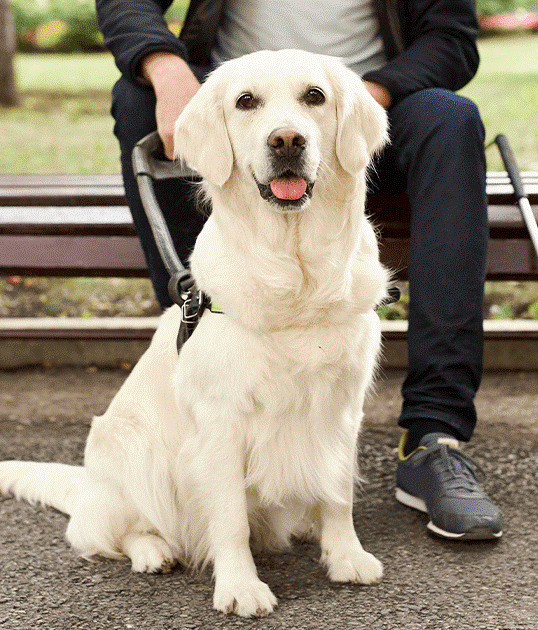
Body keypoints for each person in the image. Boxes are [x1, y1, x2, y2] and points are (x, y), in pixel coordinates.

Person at [95, 0, 503, 541]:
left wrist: (359, 99)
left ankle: (435, 437)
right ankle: (205, 368)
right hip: (233, 126)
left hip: (361, 119)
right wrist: (165, 66)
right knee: (136, 94)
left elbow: (450, 39)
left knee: (451, 118)